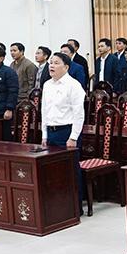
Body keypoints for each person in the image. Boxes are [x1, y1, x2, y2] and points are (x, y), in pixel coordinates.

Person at [41, 52, 86, 213]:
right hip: (51, 132)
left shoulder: (73, 85)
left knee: (70, 171)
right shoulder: (47, 85)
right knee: (54, 170)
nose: (51, 66)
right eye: (50, 63)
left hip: (67, 132)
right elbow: (44, 111)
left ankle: (76, 208)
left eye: (56, 63)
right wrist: (44, 135)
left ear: (66, 67)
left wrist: (73, 137)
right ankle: (60, 207)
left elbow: (79, 114)